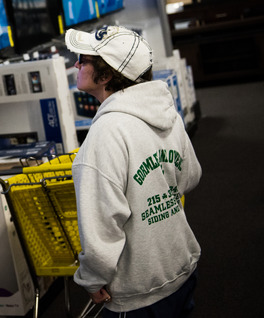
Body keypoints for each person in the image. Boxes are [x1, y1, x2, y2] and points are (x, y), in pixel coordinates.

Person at [65, 25, 201, 317]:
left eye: (84, 59)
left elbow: (102, 227)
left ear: (105, 75)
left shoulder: (105, 135)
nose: (76, 64)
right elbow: (190, 177)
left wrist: (91, 279)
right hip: (181, 267)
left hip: (140, 291)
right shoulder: (166, 113)